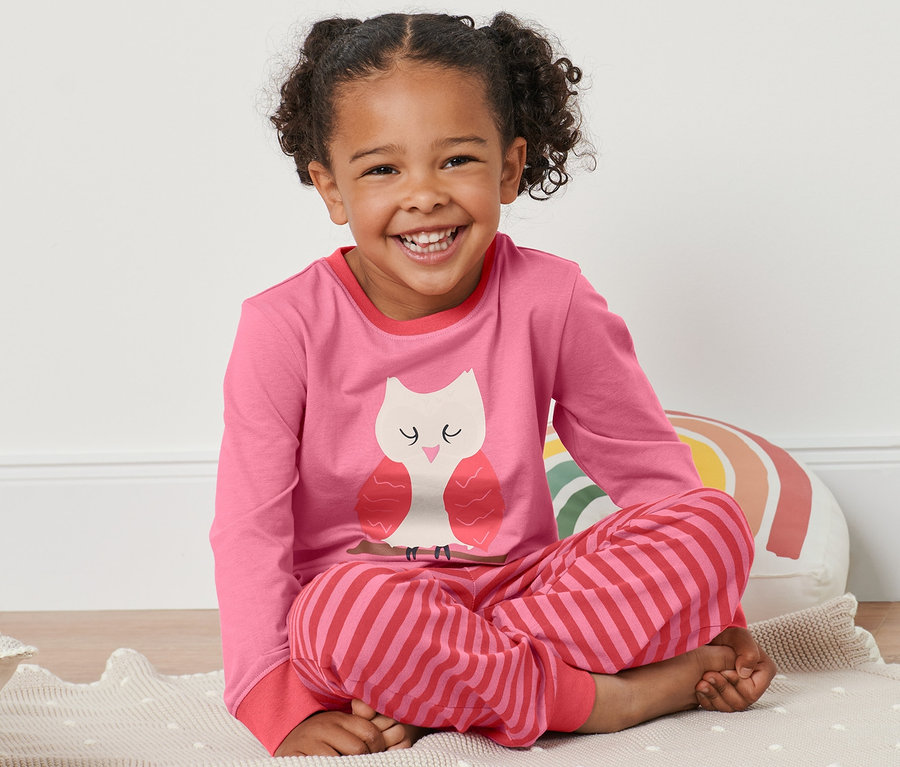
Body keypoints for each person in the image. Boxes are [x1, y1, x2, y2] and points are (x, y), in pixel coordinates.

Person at [210, 11, 776, 758]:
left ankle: (442, 685)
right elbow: (249, 530)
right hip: (363, 610)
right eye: (382, 170)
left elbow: (650, 474)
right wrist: (274, 702)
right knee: (349, 611)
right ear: (331, 188)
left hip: (527, 591)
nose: (423, 196)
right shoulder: (282, 326)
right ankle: (613, 699)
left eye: (457, 160)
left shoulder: (552, 298)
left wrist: (717, 619)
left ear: (509, 169)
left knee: (711, 521)